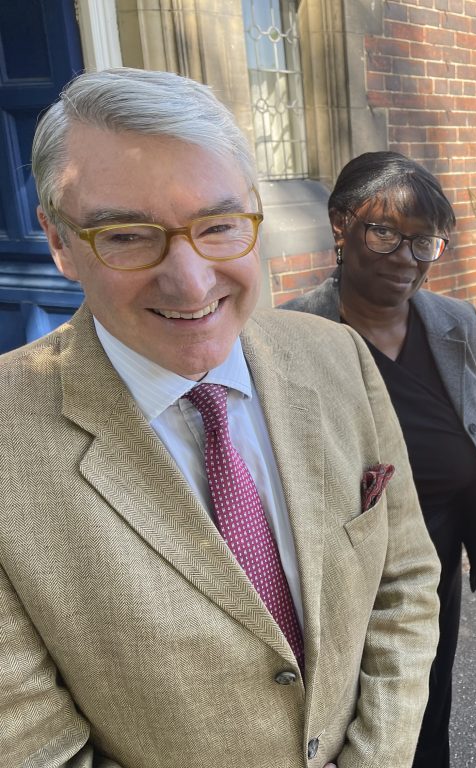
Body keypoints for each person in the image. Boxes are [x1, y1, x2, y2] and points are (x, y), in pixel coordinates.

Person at [0, 68, 441, 768]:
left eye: (220, 225)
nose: (192, 279)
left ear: (254, 211)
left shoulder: (336, 356)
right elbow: (32, 744)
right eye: (126, 235)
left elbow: (406, 578)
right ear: (58, 242)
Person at [281, 151, 476, 768]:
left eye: (425, 242)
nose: (406, 258)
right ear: (340, 225)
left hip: (435, 569)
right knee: (354, 721)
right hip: (346, 580)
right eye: (385, 234)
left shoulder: (456, 323)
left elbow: (468, 424)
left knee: (429, 706)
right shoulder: (290, 334)